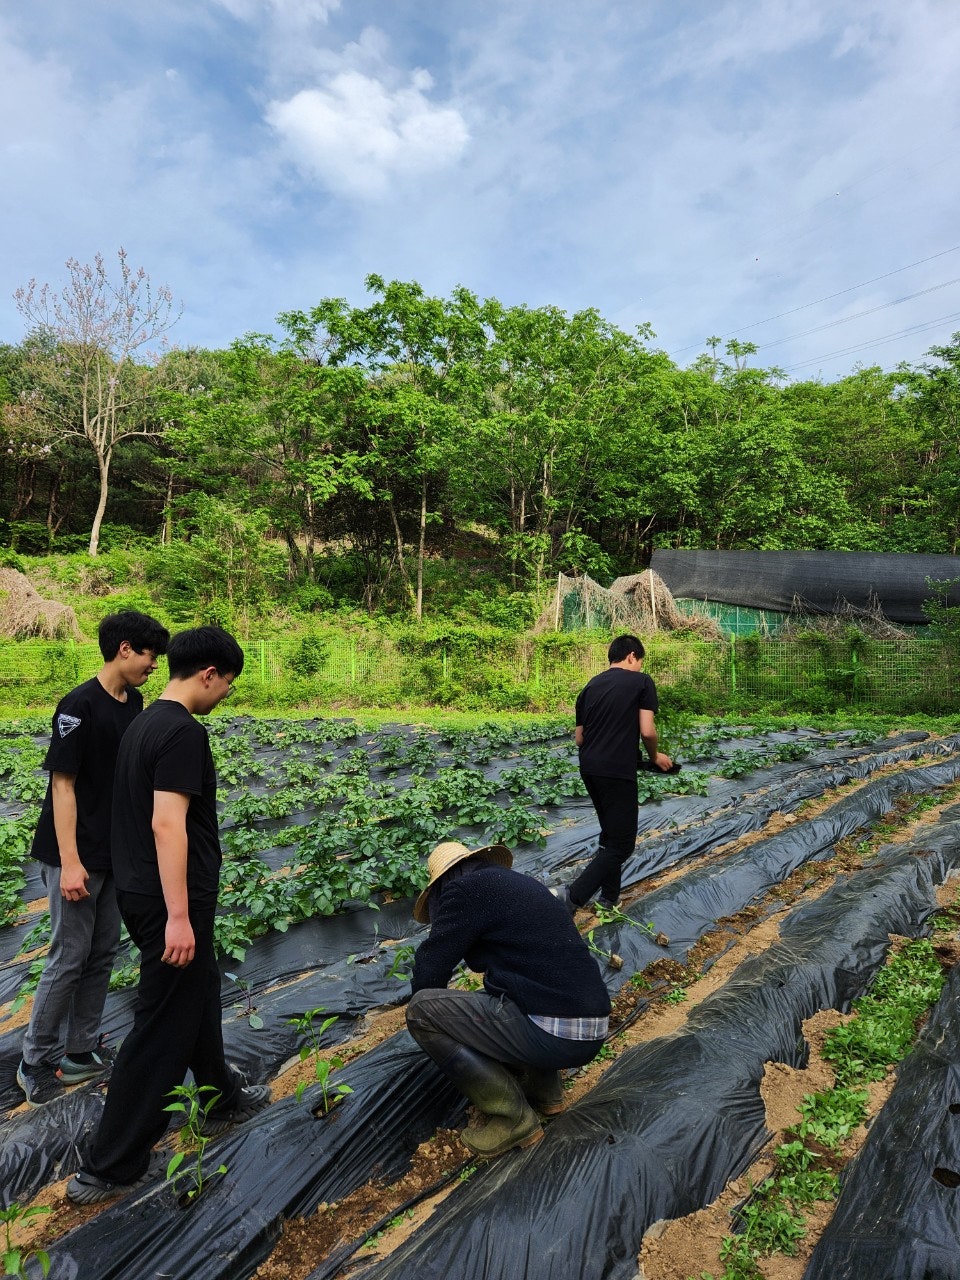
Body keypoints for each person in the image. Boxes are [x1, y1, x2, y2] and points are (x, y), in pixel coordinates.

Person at [67, 626, 270, 1205]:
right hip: (167, 902)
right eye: (227, 683)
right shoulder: (182, 733)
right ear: (209, 673)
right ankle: (110, 1163)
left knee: (197, 989)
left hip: (141, 892)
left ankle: (219, 1095)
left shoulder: (143, 723)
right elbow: (166, 823)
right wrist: (178, 916)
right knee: (162, 1021)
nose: (226, 693)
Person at [17, 610, 170, 1108]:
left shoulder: (135, 703)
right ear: (125, 648)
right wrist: (71, 860)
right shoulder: (79, 705)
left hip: (111, 854)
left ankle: (80, 1049)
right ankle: (34, 1060)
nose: (153, 667)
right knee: (68, 958)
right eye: (149, 656)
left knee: (101, 954)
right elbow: (62, 785)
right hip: (75, 854)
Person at [405, 840, 611, 1159]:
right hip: (591, 1025)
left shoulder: (463, 891)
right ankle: (547, 1094)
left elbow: (432, 965)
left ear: (442, 884)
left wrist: (433, 1019)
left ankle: (513, 1118)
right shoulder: (517, 883)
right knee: (513, 989)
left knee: (422, 1011)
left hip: (557, 1034)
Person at [559, 633, 672, 914]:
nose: (640, 667)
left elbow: (580, 739)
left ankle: (609, 898)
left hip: (590, 768)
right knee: (622, 845)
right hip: (617, 771)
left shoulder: (589, 687)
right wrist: (655, 756)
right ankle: (572, 897)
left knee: (610, 835)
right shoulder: (641, 682)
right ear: (632, 656)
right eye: (639, 661)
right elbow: (647, 730)